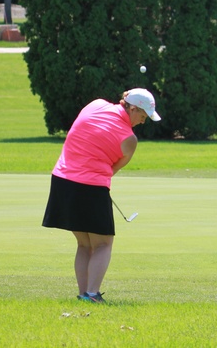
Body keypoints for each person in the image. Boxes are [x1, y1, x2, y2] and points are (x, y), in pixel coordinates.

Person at [42, 88, 161, 303]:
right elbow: (114, 168)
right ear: (132, 109)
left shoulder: (95, 104)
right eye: (143, 116)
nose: (143, 121)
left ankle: (84, 294)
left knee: (84, 244)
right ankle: (92, 294)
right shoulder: (130, 139)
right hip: (91, 187)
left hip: (62, 180)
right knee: (103, 244)